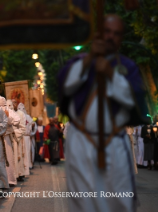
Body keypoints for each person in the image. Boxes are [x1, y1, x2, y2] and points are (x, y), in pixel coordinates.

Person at [58, 15, 149, 212]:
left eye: (116, 34)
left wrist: (109, 73)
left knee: (119, 202)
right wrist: (90, 59)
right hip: (81, 142)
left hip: (114, 142)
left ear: (121, 39)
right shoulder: (79, 62)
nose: (110, 37)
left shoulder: (127, 67)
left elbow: (133, 99)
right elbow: (67, 87)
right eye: (107, 32)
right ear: (99, 34)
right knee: (84, 203)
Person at [0, 96, 19, 187]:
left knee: (8, 158)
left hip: (6, 138)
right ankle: (0, 180)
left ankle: (10, 180)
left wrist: (8, 117)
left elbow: (17, 121)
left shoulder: (9, 110)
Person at [11, 99, 26, 182]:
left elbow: (23, 127)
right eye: (12, 103)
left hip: (18, 137)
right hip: (10, 138)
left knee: (19, 155)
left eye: (15, 103)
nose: (13, 104)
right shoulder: (9, 113)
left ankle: (20, 174)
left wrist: (16, 133)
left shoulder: (21, 114)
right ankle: (14, 175)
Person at [17, 103, 32, 175]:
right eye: (19, 108)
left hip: (26, 137)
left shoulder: (28, 117)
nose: (21, 110)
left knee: (27, 152)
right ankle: (21, 168)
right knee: (21, 152)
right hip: (20, 137)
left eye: (22, 108)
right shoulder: (16, 115)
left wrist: (32, 128)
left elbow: (31, 126)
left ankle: (28, 166)